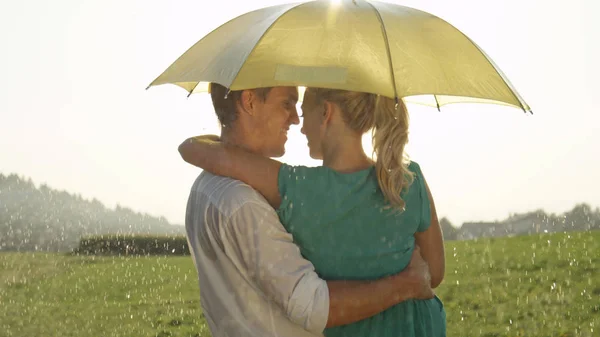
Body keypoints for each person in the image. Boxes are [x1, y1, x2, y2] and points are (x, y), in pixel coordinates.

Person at [183, 83, 436, 337]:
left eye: (301, 111)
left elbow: (216, 156)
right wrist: (408, 284)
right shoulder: (244, 201)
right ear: (249, 101)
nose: (296, 121)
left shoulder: (211, 187)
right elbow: (434, 272)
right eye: (287, 104)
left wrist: (190, 146)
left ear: (326, 114)